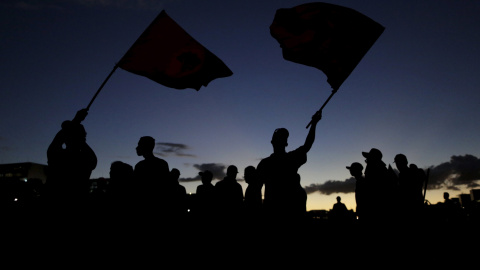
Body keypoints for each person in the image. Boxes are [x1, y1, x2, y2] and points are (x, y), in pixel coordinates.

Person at [256, 110, 322, 225]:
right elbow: (256, 188)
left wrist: (314, 124)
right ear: (273, 142)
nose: (280, 141)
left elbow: (307, 145)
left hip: (291, 213)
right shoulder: (266, 163)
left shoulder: (283, 159)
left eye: (282, 139)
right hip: (275, 214)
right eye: (279, 138)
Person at [45, 108, 97, 216]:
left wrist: (76, 121)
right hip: (74, 204)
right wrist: (76, 123)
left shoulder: (57, 155)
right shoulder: (85, 158)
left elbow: (57, 141)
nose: (85, 134)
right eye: (83, 134)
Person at [133, 136, 170, 216]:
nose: (136, 148)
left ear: (145, 147)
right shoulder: (162, 163)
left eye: (139, 145)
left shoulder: (140, 166)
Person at [362, 148, 395, 223]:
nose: (367, 162)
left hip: (379, 211)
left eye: (368, 159)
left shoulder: (380, 172)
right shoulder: (381, 170)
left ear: (374, 159)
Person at [394, 154, 425, 221]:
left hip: (413, 208)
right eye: (397, 163)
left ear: (405, 162)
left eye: (399, 162)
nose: (398, 165)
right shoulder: (402, 175)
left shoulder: (412, 172)